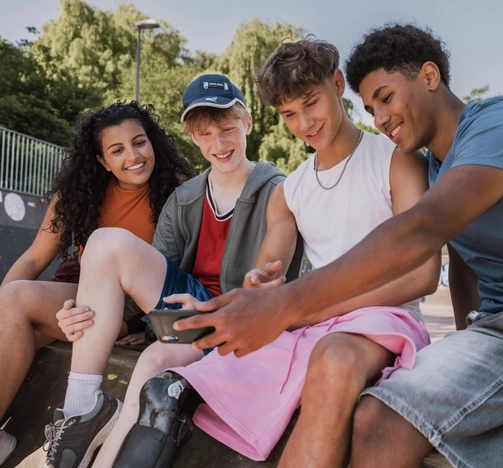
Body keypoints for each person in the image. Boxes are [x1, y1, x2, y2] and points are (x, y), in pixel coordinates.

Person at [180, 24, 503, 468]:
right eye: (370, 107)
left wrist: (285, 305)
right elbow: (469, 264)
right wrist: (467, 332)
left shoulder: (501, 120)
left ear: (429, 76)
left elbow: (426, 229)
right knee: (376, 421)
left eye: (386, 97)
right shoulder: (427, 165)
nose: (380, 118)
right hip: (501, 333)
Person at [118, 38, 440, 468]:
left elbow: (421, 276)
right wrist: (235, 301)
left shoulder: (399, 161)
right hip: (311, 323)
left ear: (338, 84)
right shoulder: (289, 193)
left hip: (384, 317)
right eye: (289, 113)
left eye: (312, 103)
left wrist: (308, 309)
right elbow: (264, 278)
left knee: (336, 358)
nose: (305, 122)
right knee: (167, 388)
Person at [42, 74, 301, 468]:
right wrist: (87, 315)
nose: (219, 143)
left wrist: (215, 311)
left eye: (228, 128)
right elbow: (147, 277)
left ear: (247, 122)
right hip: (193, 320)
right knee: (105, 244)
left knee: (151, 364)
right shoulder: (185, 198)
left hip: (243, 319)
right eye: (205, 133)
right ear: (192, 137)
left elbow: (273, 281)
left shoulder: (278, 190)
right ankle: (81, 412)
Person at [0, 102, 194, 468]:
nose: (133, 156)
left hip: (131, 306)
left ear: (153, 142)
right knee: (8, 314)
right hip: (79, 296)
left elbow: (180, 271)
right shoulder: (81, 195)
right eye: (117, 150)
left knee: (14, 306)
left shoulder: (179, 193)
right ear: (101, 160)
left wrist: (146, 327)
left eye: (140, 142)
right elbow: (33, 259)